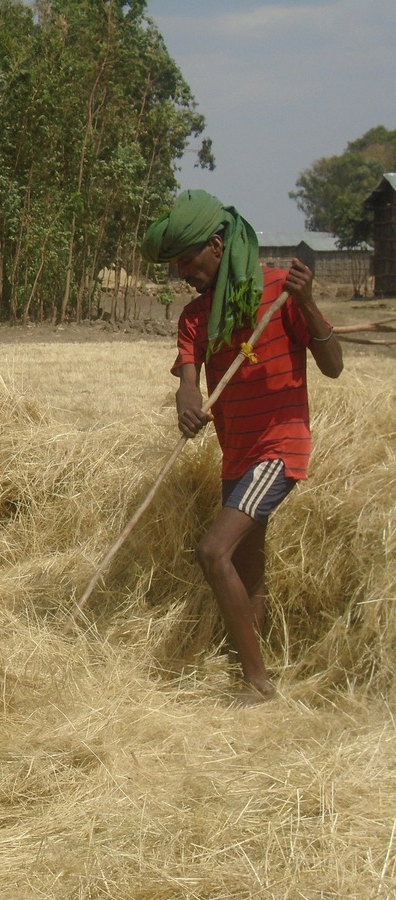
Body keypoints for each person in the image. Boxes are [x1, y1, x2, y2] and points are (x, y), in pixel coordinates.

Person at [141, 190, 343, 704]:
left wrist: (308, 304)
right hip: (237, 453)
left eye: (188, 258)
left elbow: (334, 365)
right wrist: (187, 403)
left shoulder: (279, 292)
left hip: (279, 450)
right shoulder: (194, 316)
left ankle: (257, 685)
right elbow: (188, 380)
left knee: (212, 551)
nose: (183, 270)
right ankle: (249, 669)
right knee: (246, 570)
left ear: (215, 244)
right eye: (176, 262)